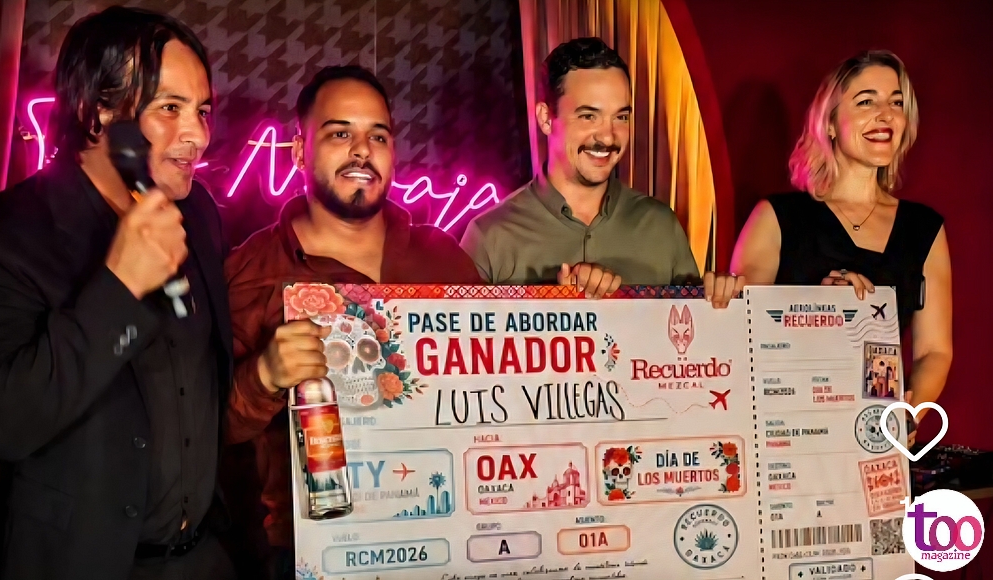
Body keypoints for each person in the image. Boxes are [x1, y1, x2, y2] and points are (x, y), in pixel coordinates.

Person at [0, 7, 236, 580]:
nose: (198, 136)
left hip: (203, 558)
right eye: (169, 108)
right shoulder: (13, 232)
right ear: (97, 110)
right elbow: (8, 422)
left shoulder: (199, 213)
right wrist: (120, 288)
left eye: (202, 111)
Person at [223, 65, 483, 580]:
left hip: (446, 541)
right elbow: (204, 435)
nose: (362, 151)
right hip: (311, 555)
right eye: (340, 134)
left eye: (378, 136)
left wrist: (586, 306)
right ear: (300, 152)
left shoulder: (444, 259)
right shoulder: (248, 274)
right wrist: (263, 376)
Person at [731, 50, 952, 436]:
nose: (885, 115)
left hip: (873, 441)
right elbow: (739, 334)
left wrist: (904, 417)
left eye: (896, 103)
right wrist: (819, 310)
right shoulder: (775, 216)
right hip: (788, 435)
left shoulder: (924, 227)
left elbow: (935, 352)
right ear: (830, 123)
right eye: (867, 102)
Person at [460, 37, 743, 306]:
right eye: (588, 116)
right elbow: (457, 337)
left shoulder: (660, 226)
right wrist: (552, 309)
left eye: (621, 117)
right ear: (546, 119)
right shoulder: (490, 236)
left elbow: (695, 331)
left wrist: (720, 302)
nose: (608, 137)